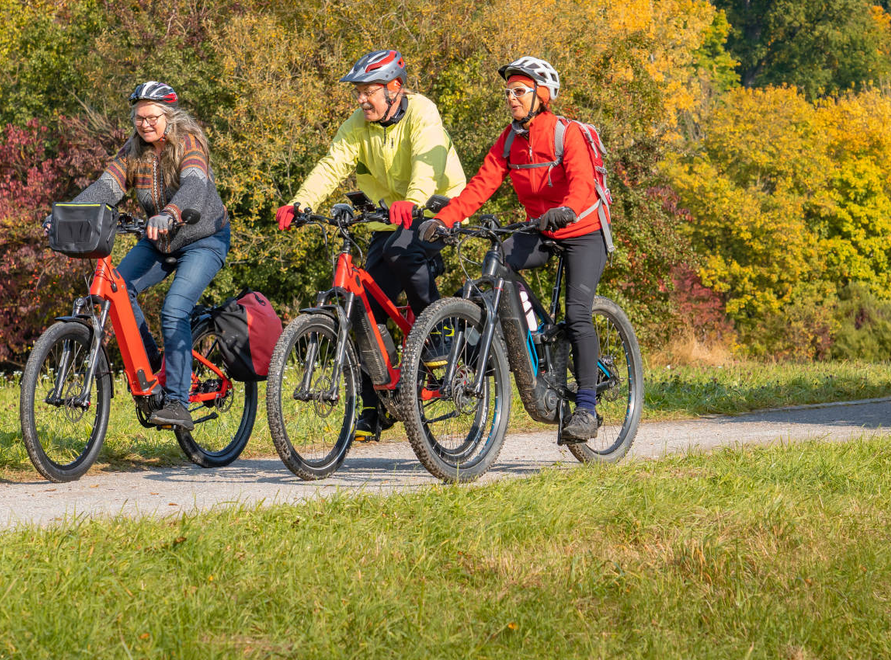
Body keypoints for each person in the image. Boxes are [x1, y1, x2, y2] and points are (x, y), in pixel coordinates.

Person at [275, 49, 466, 442]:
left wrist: (413, 201)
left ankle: (437, 339)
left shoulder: (423, 114)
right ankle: (373, 406)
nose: (362, 100)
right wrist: (300, 203)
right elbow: (332, 165)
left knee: (401, 252)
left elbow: (428, 167)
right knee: (360, 305)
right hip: (389, 215)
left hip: (437, 206)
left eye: (369, 91)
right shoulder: (357, 125)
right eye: (358, 93)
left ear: (395, 88)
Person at [420, 56, 609, 442]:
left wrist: (567, 210)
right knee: (496, 263)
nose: (511, 98)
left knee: (576, 314)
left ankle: (587, 408)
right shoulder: (509, 140)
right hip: (541, 229)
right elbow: (479, 186)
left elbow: (583, 184)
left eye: (519, 91)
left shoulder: (564, 134)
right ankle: (526, 340)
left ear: (542, 95)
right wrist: (446, 220)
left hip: (583, 230)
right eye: (508, 92)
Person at [69, 81, 231, 431]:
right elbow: (106, 188)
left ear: (168, 117)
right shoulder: (133, 150)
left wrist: (170, 213)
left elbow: (195, 184)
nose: (145, 124)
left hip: (204, 239)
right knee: (118, 288)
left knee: (174, 309)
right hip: (159, 241)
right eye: (139, 118)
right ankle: (157, 363)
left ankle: (177, 402)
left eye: (152, 117)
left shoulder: (189, 142)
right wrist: (67, 212)